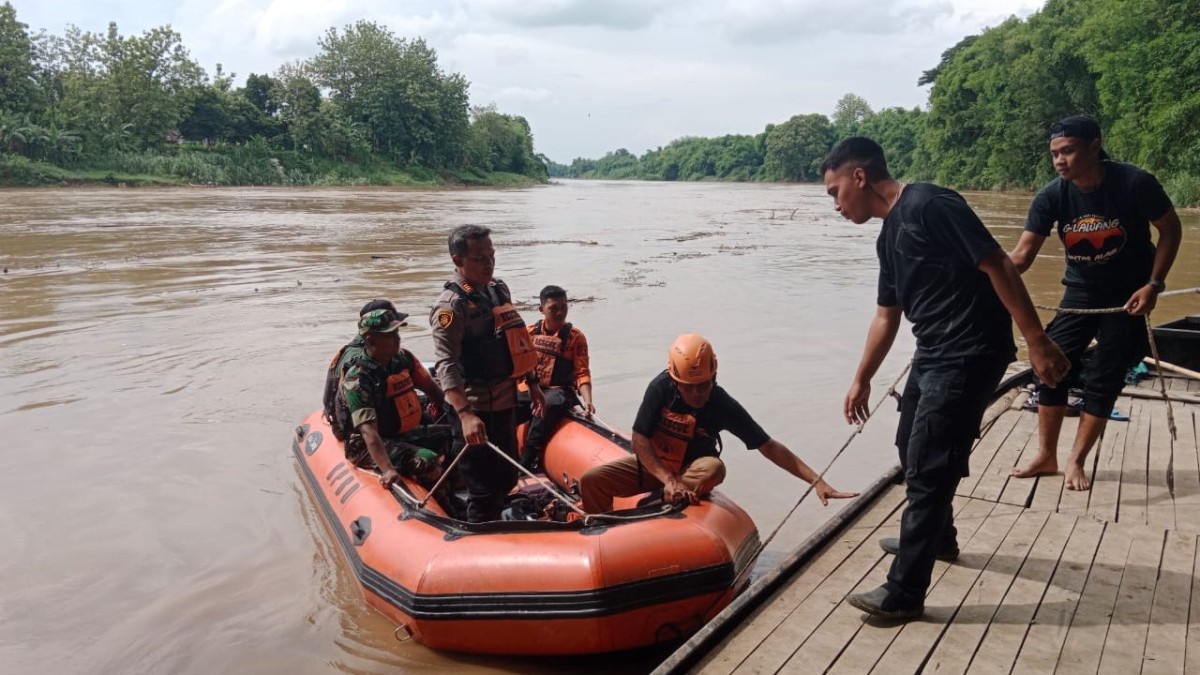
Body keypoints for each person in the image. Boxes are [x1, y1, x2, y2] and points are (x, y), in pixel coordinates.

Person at [822, 137, 1070, 620]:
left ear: (859, 177)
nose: (834, 204)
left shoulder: (930, 203)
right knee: (907, 445)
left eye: (834, 191)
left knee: (931, 464)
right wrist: (862, 379)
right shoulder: (886, 235)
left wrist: (1036, 340)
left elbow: (997, 263)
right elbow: (885, 317)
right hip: (933, 354)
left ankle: (903, 595)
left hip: (970, 352)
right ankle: (939, 537)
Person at [1009, 115, 1182, 491]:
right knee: (1049, 367)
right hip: (1080, 293)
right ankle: (1046, 454)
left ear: (1094, 146)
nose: (1059, 161)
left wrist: (1154, 284)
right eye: (1055, 154)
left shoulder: (1135, 183)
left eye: (1068, 151)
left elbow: (1170, 229)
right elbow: (1021, 257)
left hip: (1129, 296)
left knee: (1105, 377)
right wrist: (980, 276)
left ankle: (1076, 460)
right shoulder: (1052, 195)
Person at [578, 333, 857, 514]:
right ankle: (604, 530)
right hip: (658, 467)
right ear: (675, 381)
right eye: (689, 388)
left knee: (715, 467)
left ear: (714, 375)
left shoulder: (721, 402)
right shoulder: (660, 388)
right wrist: (667, 479)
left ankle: (665, 502)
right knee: (592, 481)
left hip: (693, 469)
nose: (698, 394)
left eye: (704, 385)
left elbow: (767, 445)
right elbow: (639, 439)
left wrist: (816, 481)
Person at [430, 225, 545, 523]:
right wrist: (466, 415)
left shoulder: (498, 290)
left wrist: (533, 384)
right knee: (482, 488)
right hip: (475, 409)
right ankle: (479, 533)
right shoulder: (451, 307)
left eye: (491, 255)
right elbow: (446, 366)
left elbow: (517, 341)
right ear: (458, 260)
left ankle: (499, 519)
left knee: (507, 475)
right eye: (480, 258)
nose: (489, 263)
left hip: (505, 402)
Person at [334, 309, 450, 495]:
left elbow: (433, 391)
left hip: (400, 433)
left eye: (397, 333)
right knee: (426, 458)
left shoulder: (404, 359)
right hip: (365, 445)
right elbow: (368, 431)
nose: (397, 339)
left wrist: (460, 418)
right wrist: (387, 469)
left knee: (453, 434)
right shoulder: (358, 379)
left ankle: (455, 484)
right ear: (371, 341)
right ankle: (446, 505)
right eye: (390, 335)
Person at [519, 285, 596, 471]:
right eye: (553, 308)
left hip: (559, 391)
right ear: (541, 309)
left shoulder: (575, 338)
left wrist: (588, 401)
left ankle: (527, 462)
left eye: (564, 307)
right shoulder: (529, 333)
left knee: (547, 405)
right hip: (529, 387)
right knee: (504, 407)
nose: (560, 312)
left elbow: (582, 372)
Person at [322, 299, 406, 424]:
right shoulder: (358, 361)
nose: (397, 337)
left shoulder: (378, 351)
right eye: (390, 332)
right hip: (353, 421)